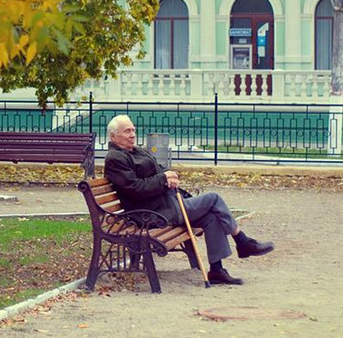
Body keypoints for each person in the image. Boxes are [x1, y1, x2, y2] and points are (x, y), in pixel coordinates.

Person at [104, 115, 274, 285]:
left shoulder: (136, 151)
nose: (133, 134)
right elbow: (136, 189)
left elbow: (160, 170)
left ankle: (217, 270)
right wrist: (163, 179)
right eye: (127, 131)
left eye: (133, 130)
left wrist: (169, 176)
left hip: (165, 204)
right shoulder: (115, 159)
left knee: (211, 217)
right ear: (113, 136)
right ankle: (242, 241)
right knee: (213, 199)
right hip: (152, 213)